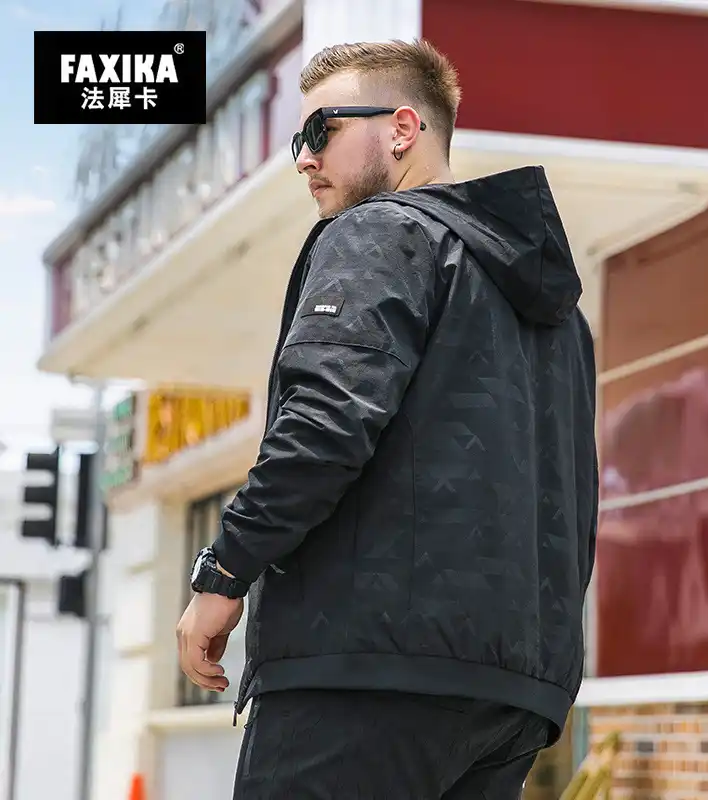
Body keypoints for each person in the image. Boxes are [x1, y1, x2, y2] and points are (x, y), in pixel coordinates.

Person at [177, 38, 598, 800]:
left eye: (321, 131)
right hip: (515, 697)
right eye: (298, 141)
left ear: (403, 128)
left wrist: (225, 571)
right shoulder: (562, 315)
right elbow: (579, 498)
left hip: (364, 677)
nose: (305, 159)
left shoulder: (381, 233)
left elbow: (323, 425)